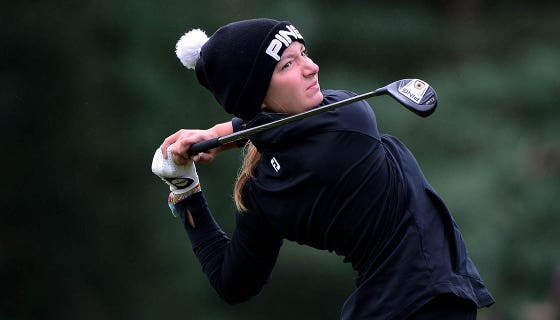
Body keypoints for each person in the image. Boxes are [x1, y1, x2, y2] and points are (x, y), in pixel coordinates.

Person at [151, 18, 494, 319]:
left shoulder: (260, 189)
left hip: (390, 305)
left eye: (304, 53)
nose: (311, 67)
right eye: (287, 65)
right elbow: (282, 127)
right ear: (256, 95)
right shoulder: (349, 123)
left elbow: (233, 282)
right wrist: (222, 135)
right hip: (427, 300)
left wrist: (185, 191)